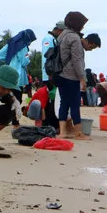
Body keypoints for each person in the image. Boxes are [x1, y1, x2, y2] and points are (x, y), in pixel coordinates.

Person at [56, 11, 89, 140]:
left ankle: (62, 132)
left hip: (60, 74)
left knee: (64, 103)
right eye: (82, 24)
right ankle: (79, 133)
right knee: (75, 104)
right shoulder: (74, 38)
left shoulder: (62, 35)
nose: (83, 26)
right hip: (71, 76)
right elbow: (77, 60)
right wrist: (82, 78)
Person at [0, 29, 36, 104]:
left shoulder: (11, 43)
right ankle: (13, 114)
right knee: (17, 99)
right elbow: (24, 62)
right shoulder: (23, 46)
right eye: (31, 41)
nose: (30, 43)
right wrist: (28, 60)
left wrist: (9, 59)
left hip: (9, 73)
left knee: (9, 98)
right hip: (18, 77)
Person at [41, 20, 65, 88]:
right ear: (58, 30)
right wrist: (50, 73)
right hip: (49, 75)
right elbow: (47, 57)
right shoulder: (48, 39)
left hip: (52, 74)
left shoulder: (53, 39)